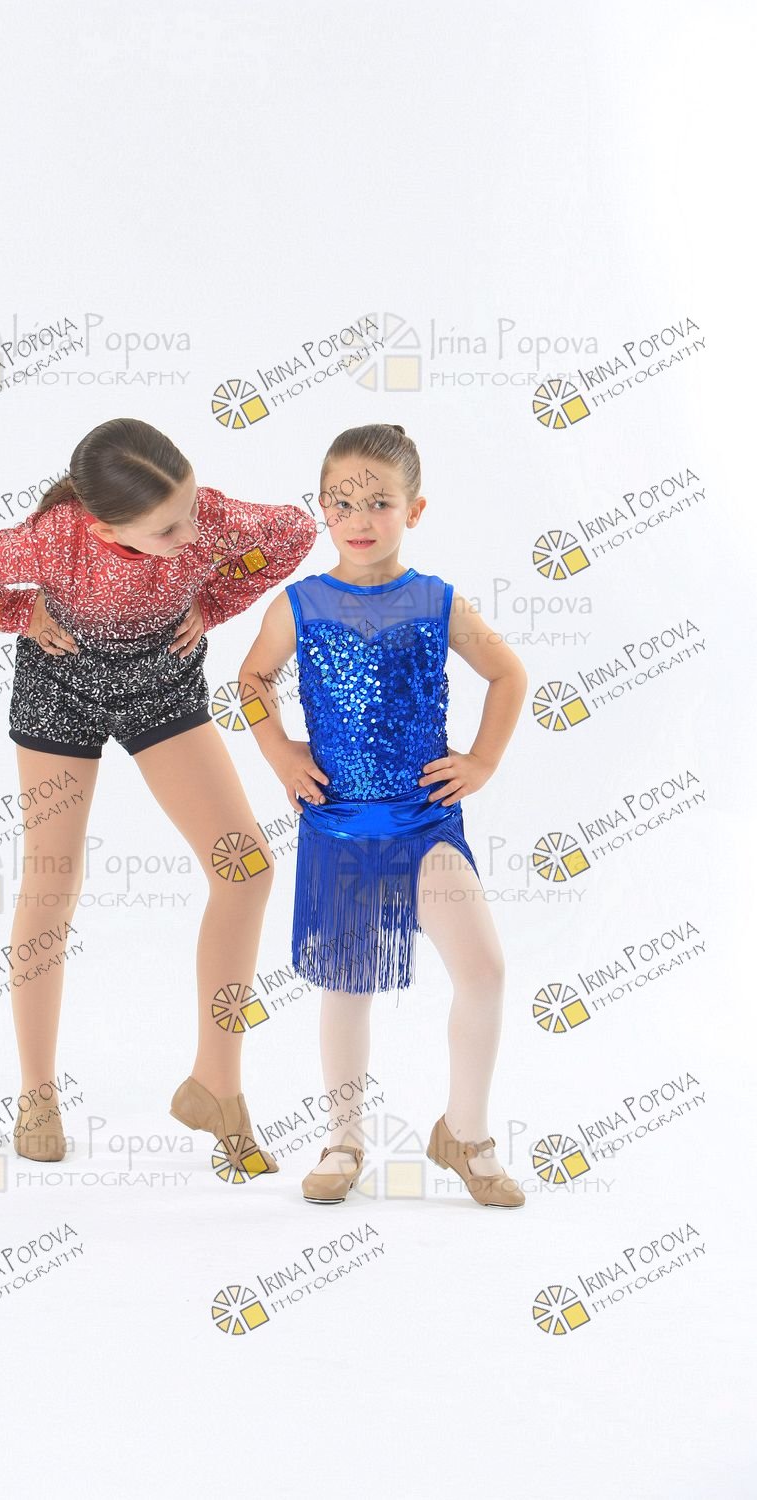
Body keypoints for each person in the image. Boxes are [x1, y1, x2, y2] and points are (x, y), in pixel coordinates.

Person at [0, 416, 317, 1169]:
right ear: (102, 528)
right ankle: (37, 1091)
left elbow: (293, 531)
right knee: (52, 882)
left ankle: (215, 1084)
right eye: (168, 530)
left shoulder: (204, 515)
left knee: (246, 867)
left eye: (191, 512)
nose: (193, 537)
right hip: (60, 689)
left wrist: (216, 600)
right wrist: (16, 612)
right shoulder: (53, 540)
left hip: (160, 683)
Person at [238, 423, 528, 1207]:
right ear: (322, 508)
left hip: (425, 820)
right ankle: (343, 1139)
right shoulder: (299, 604)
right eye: (341, 503)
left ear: (415, 509)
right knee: (347, 984)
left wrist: (482, 761)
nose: (359, 519)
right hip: (338, 823)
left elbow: (508, 674)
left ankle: (465, 1134)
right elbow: (252, 681)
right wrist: (282, 755)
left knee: (484, 971)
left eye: (379, 503)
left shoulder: (437, 601)